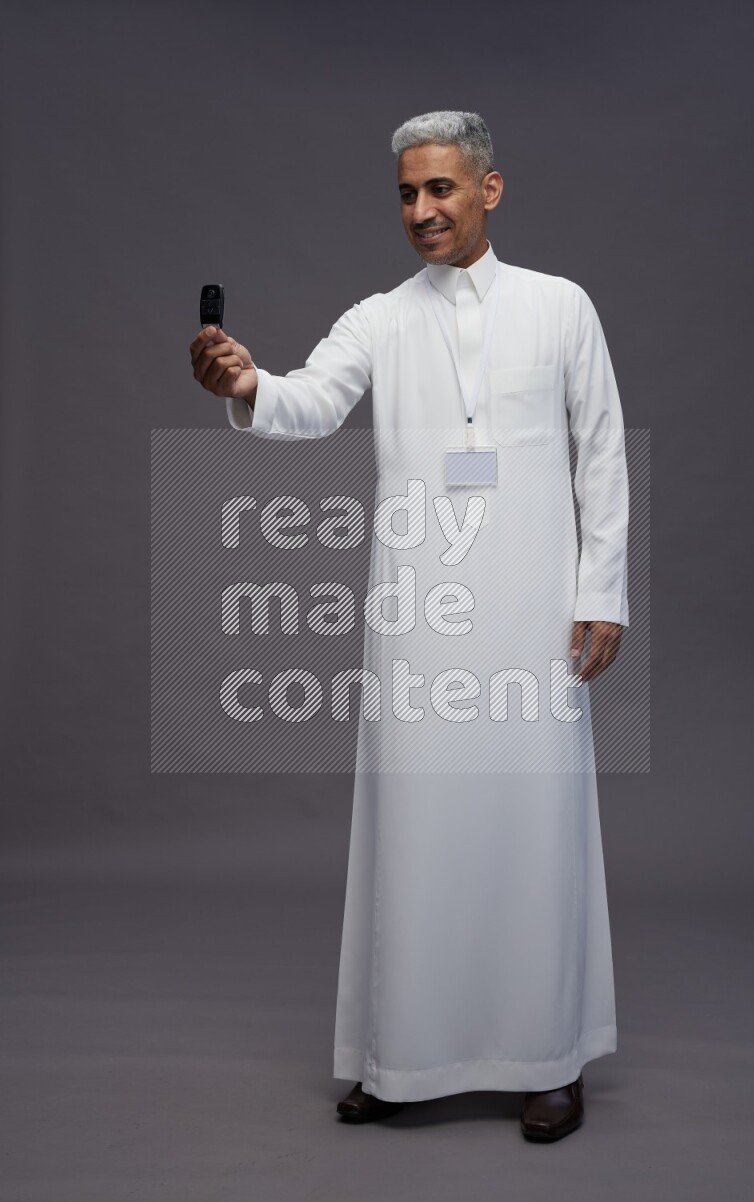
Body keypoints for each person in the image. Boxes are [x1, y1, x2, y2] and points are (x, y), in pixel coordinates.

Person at [189, 110, 629, 1142]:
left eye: (439, 189)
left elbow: (599, 450)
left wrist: (599, 588)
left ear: (488, 190)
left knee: (534, 830)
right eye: (404, 194)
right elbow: (305, 401)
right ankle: (402, 1057)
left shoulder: (560, 307)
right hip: (420, 614)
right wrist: (246, 382)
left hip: (532, 611)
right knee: (414, 832)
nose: (421, 211)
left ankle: (546, 1059)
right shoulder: (379, 318)